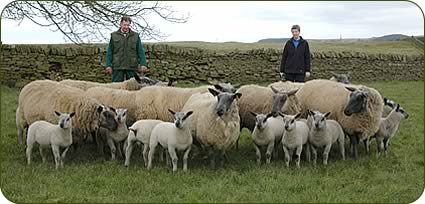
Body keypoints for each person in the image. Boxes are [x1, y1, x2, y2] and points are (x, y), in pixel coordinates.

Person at [105, 16, 148, 82]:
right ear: (120, 24)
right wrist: (108, 65)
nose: (126, 27)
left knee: (134, 86)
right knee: (116, 86)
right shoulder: (114, 36)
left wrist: (143, 64)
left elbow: (140, 51)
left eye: (128, 25)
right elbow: (110, 51)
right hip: (118, 66)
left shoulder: (135, 36)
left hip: (131, 66)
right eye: (124, 25)